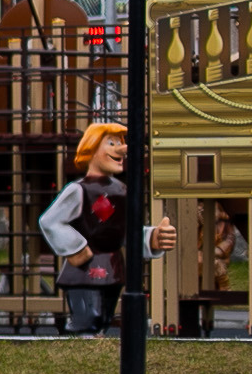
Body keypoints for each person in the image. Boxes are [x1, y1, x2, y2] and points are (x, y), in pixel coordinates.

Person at [40, 122, 176, 334]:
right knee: (88, 319)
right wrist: (75, 247)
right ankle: (82, 345)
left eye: (121, 143)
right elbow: (50, 221)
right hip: (84, 269)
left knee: (104, 318)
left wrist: (152, 238)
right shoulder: (78, 190)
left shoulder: (121, 190)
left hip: (112, 267)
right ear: (91, 149)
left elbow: (126, 229)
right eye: (111, 143)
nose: (121, 149)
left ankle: (96, 344)